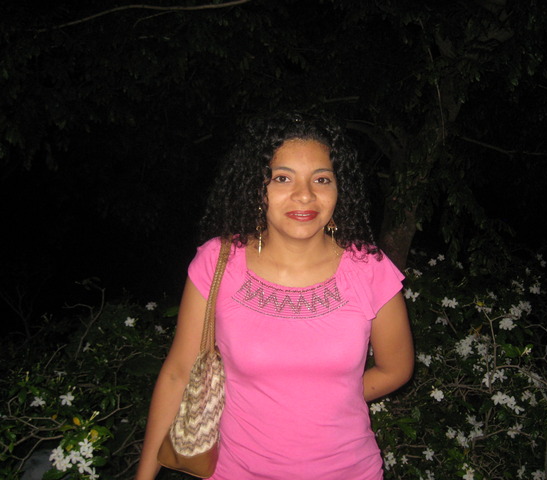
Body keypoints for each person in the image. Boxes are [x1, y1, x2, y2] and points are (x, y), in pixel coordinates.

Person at [135, 112, 414, 480]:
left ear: (338, 190)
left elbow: (396, 369)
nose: (305, 195)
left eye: (322, 179)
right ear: (257, 188)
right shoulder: (218, 262)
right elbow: (178, 374)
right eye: (283, 178)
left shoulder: (369, 269)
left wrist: (328, 399)